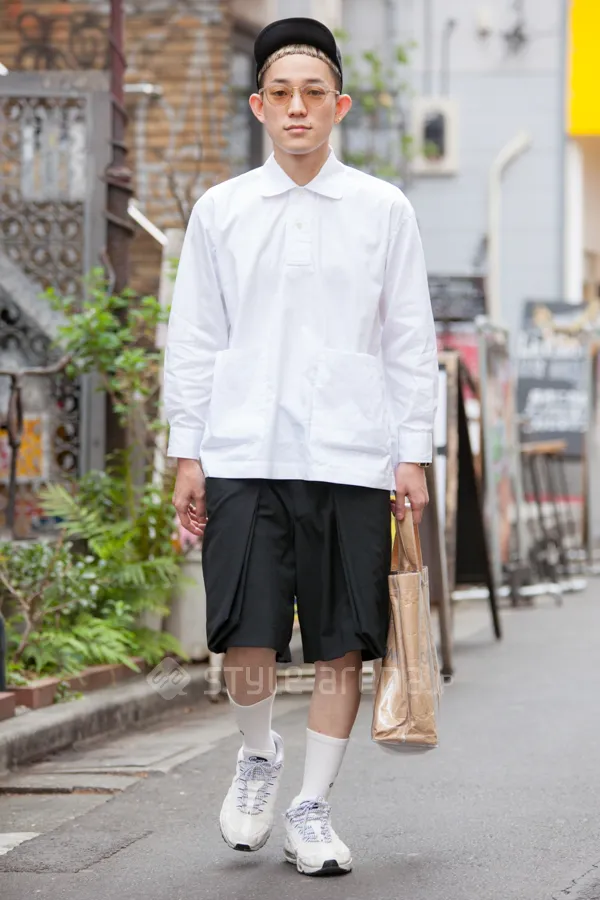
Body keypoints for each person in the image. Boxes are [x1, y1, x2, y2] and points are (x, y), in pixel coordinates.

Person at [164, 16, 438, 878]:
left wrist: (412, 453)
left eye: (313, 93)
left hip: (350, 456)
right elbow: (194, 337)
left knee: (340, 639)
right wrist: (187, 451)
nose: (296, 108)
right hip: (242, 451)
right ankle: (258, 754)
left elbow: (410, 339)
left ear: (339, 106)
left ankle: (312, 806)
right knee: (245, 635)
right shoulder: (221, 211)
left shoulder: (383, 210)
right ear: (257, 105)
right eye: (280, 93)